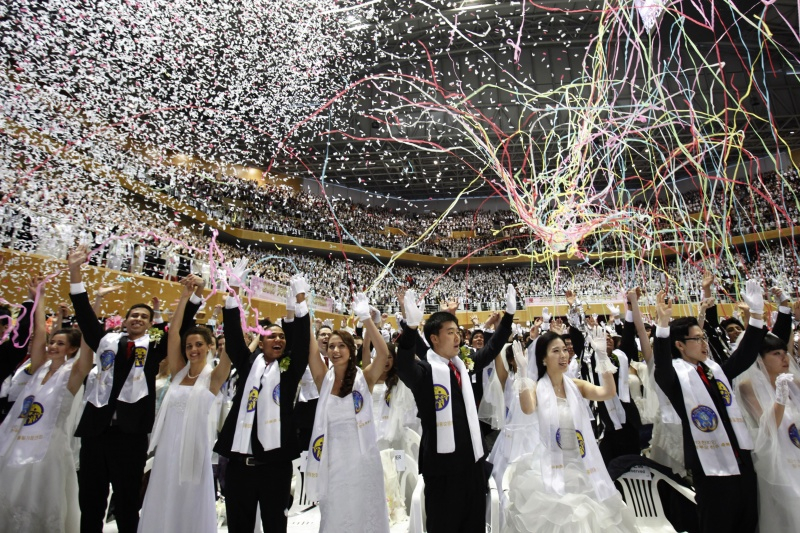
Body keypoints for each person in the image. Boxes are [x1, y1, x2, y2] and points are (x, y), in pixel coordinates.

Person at [67, 246, 201, 533]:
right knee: (90, 502)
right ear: (125, 320)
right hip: (96, 430)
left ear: (151, 324)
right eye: (133, 315)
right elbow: (84, 315)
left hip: (131, 434)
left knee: (127, 503)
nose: (137, 319)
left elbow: (180, 328)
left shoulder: (154, 346)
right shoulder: (106, 342)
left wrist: (190, 296)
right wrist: (75, 272)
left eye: (143, 316)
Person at [394, 287, 516, 533]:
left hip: (472, 464)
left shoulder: (463, 365)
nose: (457, 337)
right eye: (450, 332)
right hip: (443, 470)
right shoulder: (426, 372)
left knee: (474, 525)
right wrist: (410, 329)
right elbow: (404, 367)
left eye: (458, 332)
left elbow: (491, 349)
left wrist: (509, 317)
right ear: (434, 339)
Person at [653, 282, 764, 533]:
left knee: (748, 522)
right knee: (718, 524)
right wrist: (662, 326)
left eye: (703, 338)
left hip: (741, 458)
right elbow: (661, 366)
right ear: (680, 345)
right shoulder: (676, 378)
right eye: (697, 339)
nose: (704, 343)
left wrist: (757, 316)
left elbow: (744, 357)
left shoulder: (715, 372)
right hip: (710, 466)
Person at [503, 331, 636, 533]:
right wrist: (522, 372)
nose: (563, 355)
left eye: (564, 350)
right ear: (543, 359)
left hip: (582, 463)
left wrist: (602, 357)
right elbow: (528, 408)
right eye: (556, 351)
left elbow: (608, 392)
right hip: (550, 464)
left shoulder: (576, 385)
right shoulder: (537, 388)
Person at [214, 263, 310, 533]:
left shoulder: (289, 371)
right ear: (262, 340)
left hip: (275, 467)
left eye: (282, 336)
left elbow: (302, 344)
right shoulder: (247, 363)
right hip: (239, 465)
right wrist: (233, 290)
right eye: (272, 336)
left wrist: (301, 301)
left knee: (275, 526)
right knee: (239, 527)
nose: (278, 339)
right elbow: (233, 336)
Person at [137, 275, 231, 533]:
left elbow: (232, 348)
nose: (193, 349)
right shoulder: (179, 371)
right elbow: (173, 335)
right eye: (189, 345)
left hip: (195, 451)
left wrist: (231, 308)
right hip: (168, 448)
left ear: (210, 347)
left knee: (189, 502)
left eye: (199, 344)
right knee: (165, 497)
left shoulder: (213, 378)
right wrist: (183, 298)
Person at [0, 276, 93, 533]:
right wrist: (39, 297)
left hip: (49, 448)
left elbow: (88, 347)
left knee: (39, 496)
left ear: (71, 350)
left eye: (60, 344)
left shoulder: (73, 374)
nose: (52, 346)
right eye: (52, 342)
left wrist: (91, 309)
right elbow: (39, 331)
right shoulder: (39, 367)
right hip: (18, 440)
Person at [305, 293, 390, 533]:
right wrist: (303, 309)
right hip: (333, 461)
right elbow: (311, 351)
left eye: (341, 346)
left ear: (351, 350)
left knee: (365, 511)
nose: (335, 350)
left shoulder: (365, 378)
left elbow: (383, 354)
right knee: (335, 513)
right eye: (331, 346)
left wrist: (366, 319)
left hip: (363, 459)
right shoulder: (323, 379)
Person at [735, 323, 800, 531]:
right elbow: (769, 427)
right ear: (760, 360)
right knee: (792, 506)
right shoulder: (748, 386)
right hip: (774, 455)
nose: (784, 358)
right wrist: (780, 397)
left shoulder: (792, 383)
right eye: (776, 354)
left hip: (796, 448)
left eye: (784, 352)